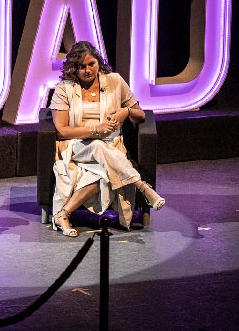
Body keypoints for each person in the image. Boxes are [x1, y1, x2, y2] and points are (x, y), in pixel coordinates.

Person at [48, 41, 166, 236]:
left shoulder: (115, 81)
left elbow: (142, 114)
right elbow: (62, 131)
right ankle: (142, 187)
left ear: (98, 62)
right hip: (76, 146)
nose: (87, 70)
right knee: (96, 145)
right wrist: (96, 129)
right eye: (81, 67)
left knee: (102, 175)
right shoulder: (64, 88)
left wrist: (125, 111)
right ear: (73, 68)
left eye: (91, 64)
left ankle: (63, 214)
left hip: (111, 147)